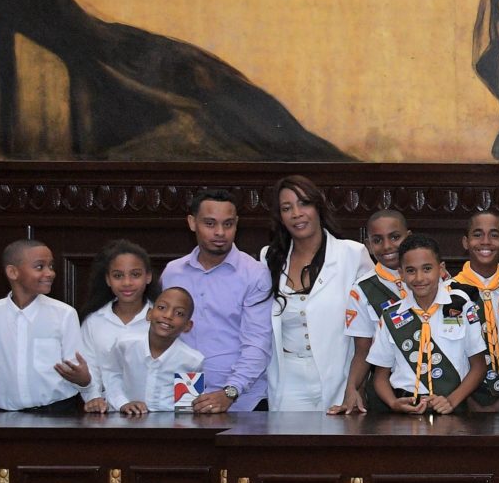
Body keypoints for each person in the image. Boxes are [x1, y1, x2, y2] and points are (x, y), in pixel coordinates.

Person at [260, 175, 372, 413]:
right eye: (287, 208)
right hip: (286, 380)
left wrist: (355, 387)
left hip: (339, 377)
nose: (296, 214)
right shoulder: (268, 258)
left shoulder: (352, 254)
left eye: (304, 203)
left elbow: (367, 334)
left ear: (318, 206)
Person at [0, 238, 89, 413]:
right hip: (5, 416)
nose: (50, 273)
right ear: (13, 272)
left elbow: (78, 369)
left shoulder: (64, 314)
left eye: (51, 266)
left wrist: (83, 379)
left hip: (57, 413)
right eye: (39, 267)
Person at [161, 188, 270, 413]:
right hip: (184, 394)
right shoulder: (173, 272)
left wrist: (229, 393)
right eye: (210, 224)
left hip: (243, 401)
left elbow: (258, 344)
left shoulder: (255, 274)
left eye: (228, 224)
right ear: (192, 223)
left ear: (236, 224)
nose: (220, 232)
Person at [366, 235, 487, 416]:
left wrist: (451, 401)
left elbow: (479, 367)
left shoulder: (461, 307)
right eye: (411, 271)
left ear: (441, 269)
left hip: (451, 407)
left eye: (427, 269)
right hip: (405, 411)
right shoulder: (392, 316)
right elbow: (380, 376)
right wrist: (393, 403)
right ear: (401, 274)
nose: (419, 277)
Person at [339, 208, 415, 415]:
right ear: (368, 245)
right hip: (385, 391)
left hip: (438, 384)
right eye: (377, 240)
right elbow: (363, 350)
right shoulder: (363, 289)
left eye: (395, 237)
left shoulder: (435, 278)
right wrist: (352, 389)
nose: (387, 246)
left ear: (409, 237)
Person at [78, 239, 153, 414]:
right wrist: (93, 398)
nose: (127, 282)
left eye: (135, 274)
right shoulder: (94, 321)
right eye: (118, 276)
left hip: (154, 414)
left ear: (148, 276)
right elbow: (90, 366)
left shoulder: (163, 320)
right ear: (108, 279)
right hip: (106, 414)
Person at [104, 287, 205, 416]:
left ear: (187, 326)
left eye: (179, 313)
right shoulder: (125, 344)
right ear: (149, 313)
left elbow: (185, 411)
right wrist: (122, 403)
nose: (168, 316)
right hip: (127, 421)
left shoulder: (192, 360)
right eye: (162, 308)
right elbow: (112, 375)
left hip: (169, 429)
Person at [455, 209, 499, 412]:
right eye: (478, 234)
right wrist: (463, 398)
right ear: (465, 242)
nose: (486, 241)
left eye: (494, 235)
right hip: (460, 396)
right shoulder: (448, 292)